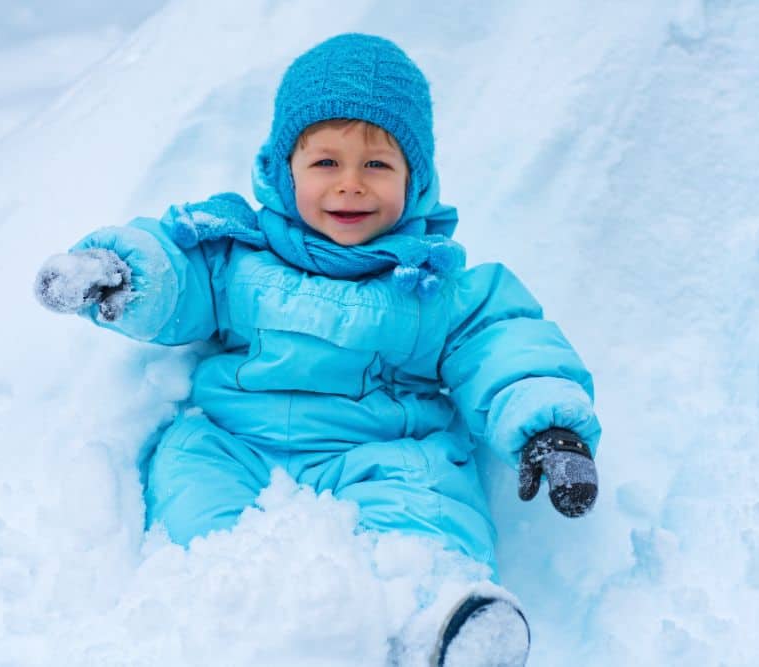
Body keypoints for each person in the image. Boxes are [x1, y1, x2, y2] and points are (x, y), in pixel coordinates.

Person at [35, 33, 601, 667]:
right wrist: (122, 274)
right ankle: (206, 595)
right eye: (326, 163)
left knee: (428, 502)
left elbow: (502, 343)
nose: (351, 186)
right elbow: (180, 279)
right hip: (237, 437)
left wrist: (548, 427)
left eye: (378, 165)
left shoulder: (434, 283)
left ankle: (441, 614)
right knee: (191, 478)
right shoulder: (236, 251)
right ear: (284, 170)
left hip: (381, 449)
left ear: (415, 183)